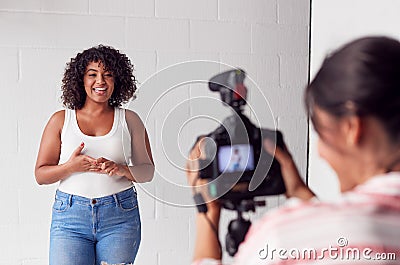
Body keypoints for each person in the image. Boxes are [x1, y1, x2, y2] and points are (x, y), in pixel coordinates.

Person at [186, 36, 400, 264]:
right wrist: (299, 191)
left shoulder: (283, 238)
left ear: (351, 129)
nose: (319, 152)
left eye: (322, 134)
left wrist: (207, 213)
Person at [35, 45, 155, 265]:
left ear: (117, 80)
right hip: (70, 218)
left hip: (120, 217)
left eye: (108, 75)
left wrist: (122, 169)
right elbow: (41, 175)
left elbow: (147, 170)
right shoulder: (61, 120)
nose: (100, 81)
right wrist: (70, 167)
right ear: (81, 79)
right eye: (93, 74)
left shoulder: (130, 120)